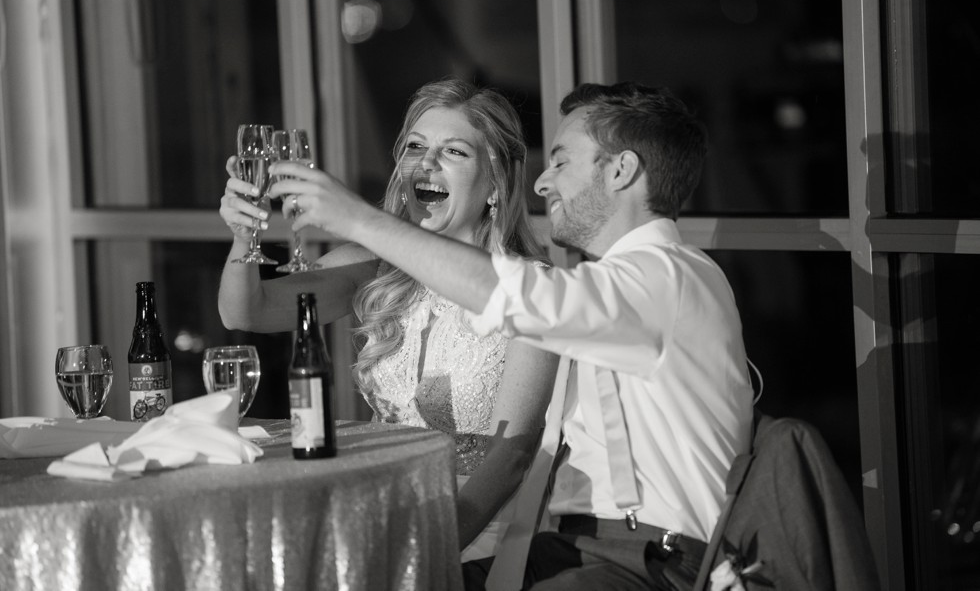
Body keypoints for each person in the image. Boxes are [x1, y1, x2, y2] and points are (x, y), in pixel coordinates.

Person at [268, 81, 755, 590]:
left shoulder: (664, 279)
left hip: (649, 563)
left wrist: (357, 218)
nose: (543, 184)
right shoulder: (623, 285)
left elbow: (519, 295)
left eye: (562, 162)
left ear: (620, 170)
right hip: (575, 550)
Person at [217, 79, 560, 567]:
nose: (426, 164)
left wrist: (421, 551)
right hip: (377, 515)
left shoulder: (529, 289)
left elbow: (512, 457)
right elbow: (246, 312)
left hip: (477, 540)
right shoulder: (374, 268)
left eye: (454, 151)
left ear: (497, 182)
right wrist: (241, 236)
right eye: (416, 147)